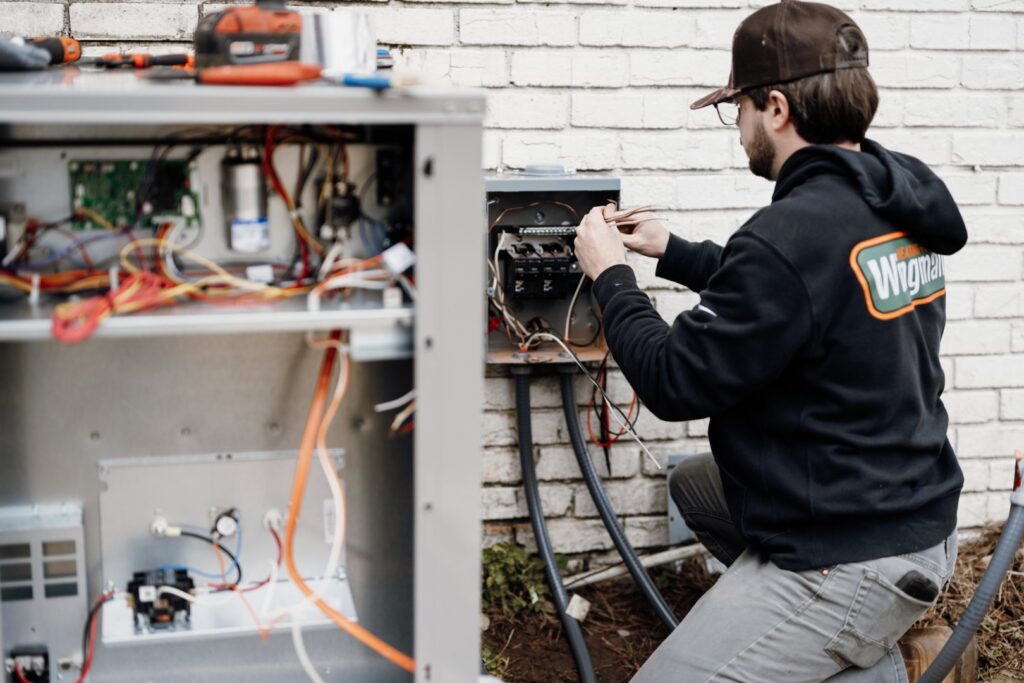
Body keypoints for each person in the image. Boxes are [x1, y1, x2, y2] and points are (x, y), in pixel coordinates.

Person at [571, 1, 967, 681]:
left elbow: (673, 381)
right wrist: (676, 252)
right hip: (918, 513)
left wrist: (611, 277)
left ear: (777, 109)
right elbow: (805, 293)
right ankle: (837, 653)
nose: (740, 128)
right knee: (701, 486)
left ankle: (822, 625)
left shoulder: (788, 236)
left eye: (741, 109)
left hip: (848, 552)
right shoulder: (896, 198)